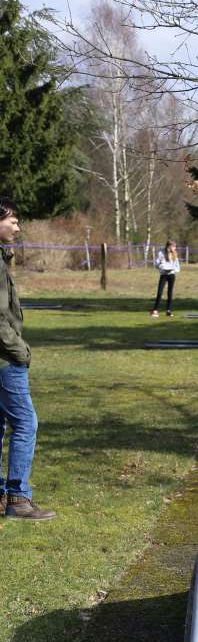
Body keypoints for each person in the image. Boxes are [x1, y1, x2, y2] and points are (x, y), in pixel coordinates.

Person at [0, 198, 55, 520]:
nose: (18, 227)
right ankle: (19, 498)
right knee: (25, 422)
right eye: (13, 221)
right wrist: (20, 351)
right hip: (5, 359)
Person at [150, 240, 180, 317]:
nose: (175, 248)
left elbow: (178, 268)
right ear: (168, 246)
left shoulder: (175, 254)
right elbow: (157, 264)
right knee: (160, 292)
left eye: (175, 247)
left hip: (171, 274)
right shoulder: (161, 253)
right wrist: (161, 266)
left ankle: (168, 310)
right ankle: (155, 310)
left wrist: (173, 269)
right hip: (163, 274)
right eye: (173, 246)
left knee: (170, 293)